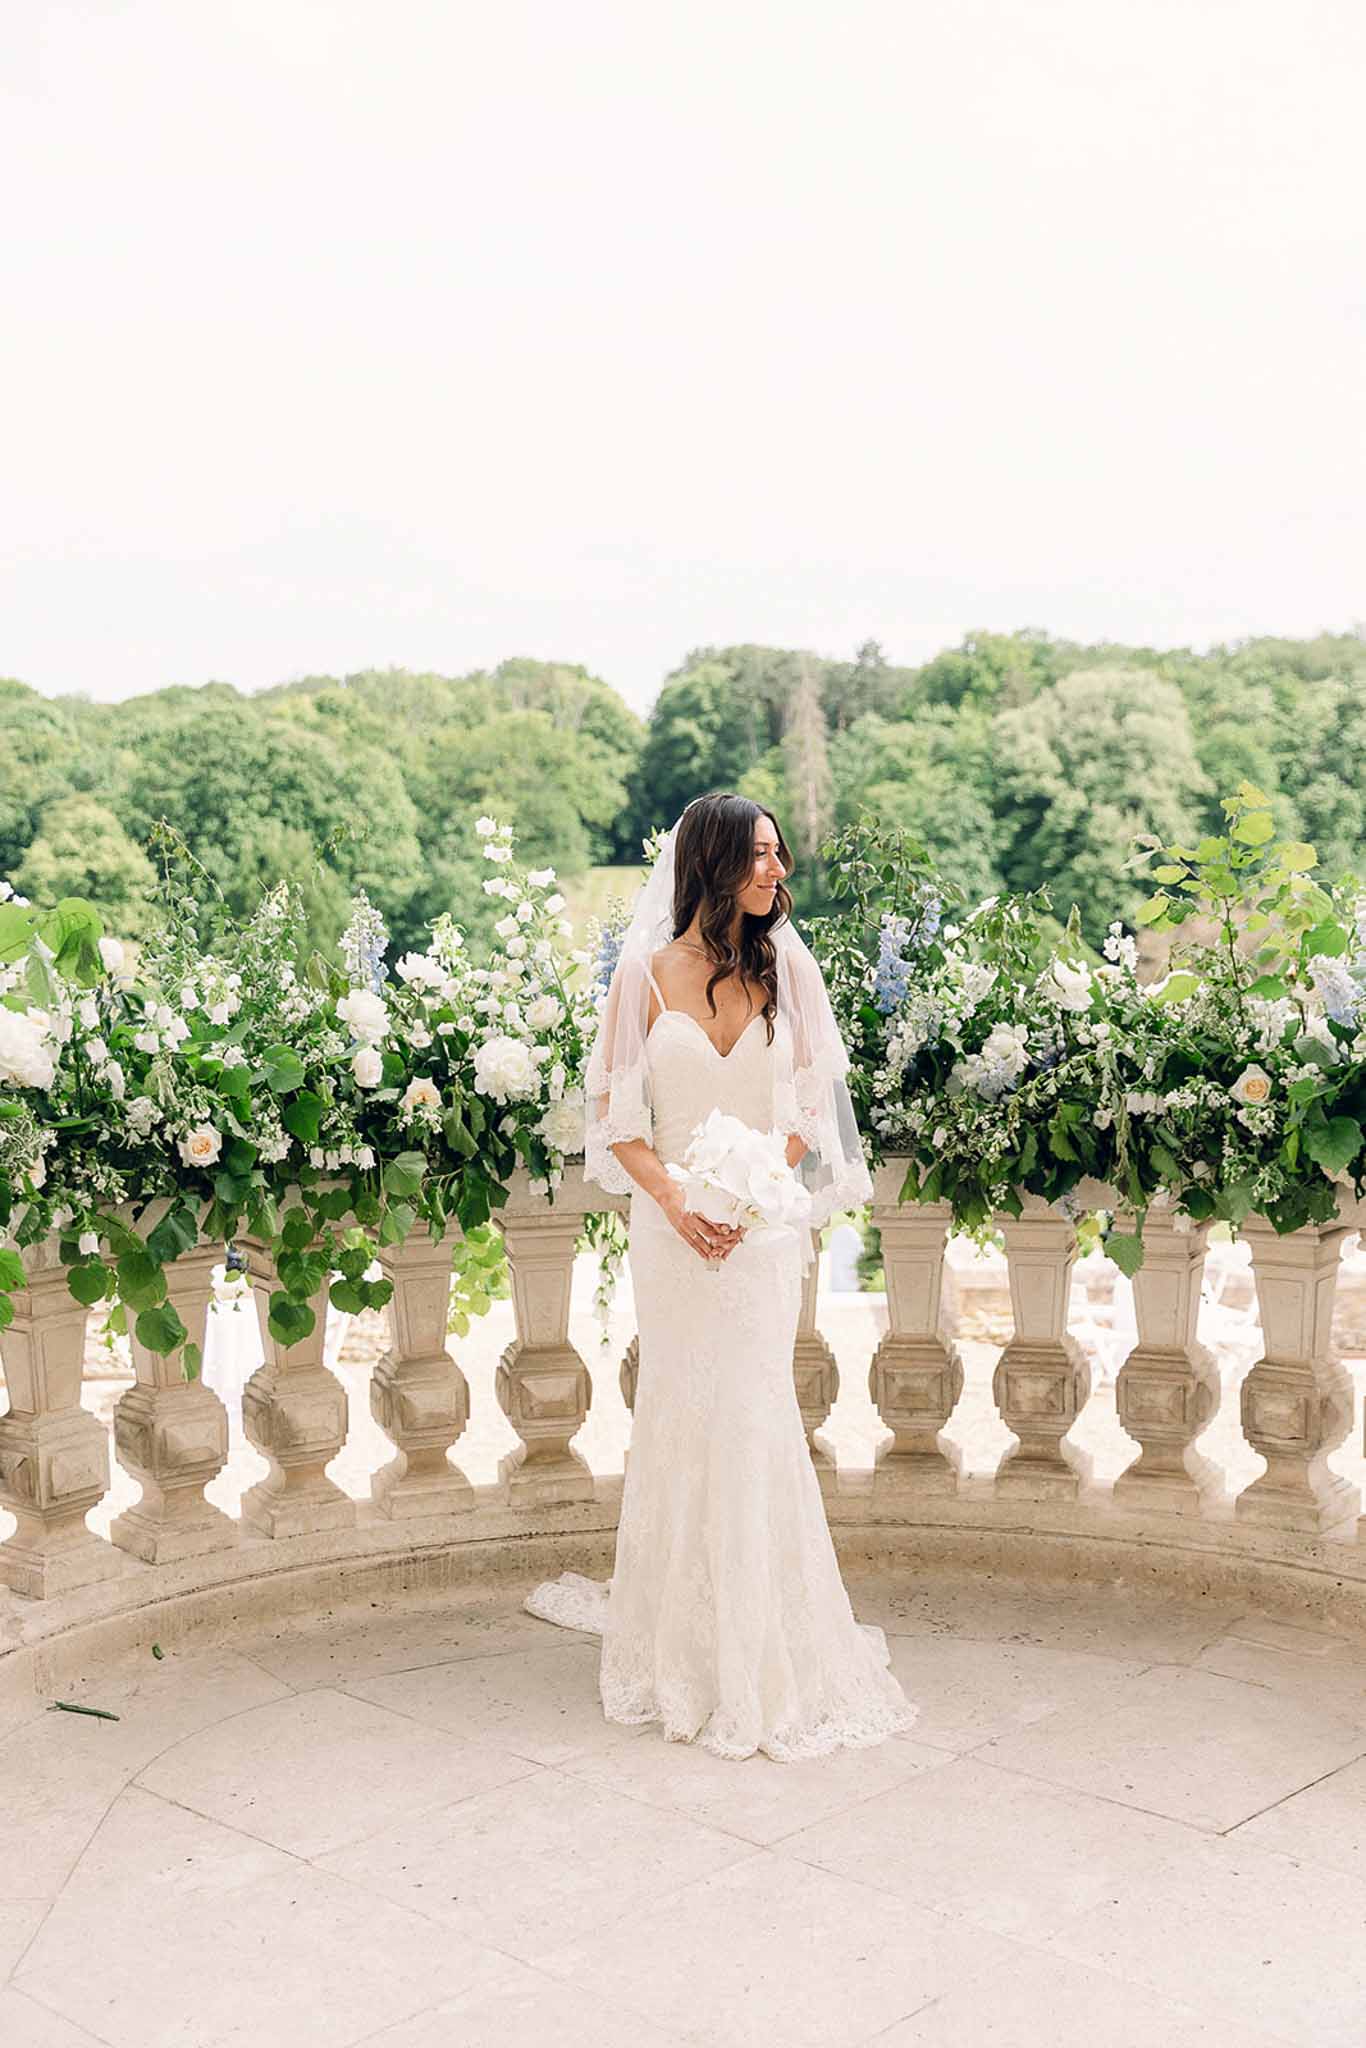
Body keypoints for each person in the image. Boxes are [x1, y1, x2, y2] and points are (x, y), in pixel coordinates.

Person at [523, 791, 920, 1761]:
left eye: (779, 856)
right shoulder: (644, 977)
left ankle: (763, 1647)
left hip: (760, 1233)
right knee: (678, 1414)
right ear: (708, 865)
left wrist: (751, 1190)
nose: (776, 873)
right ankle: (680, 1649)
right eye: (757, 857)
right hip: (673, 1235)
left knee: (752, 1417)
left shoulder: (788, 970)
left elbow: (808, 1107)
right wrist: (677, 1203)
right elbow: (618, 1125)